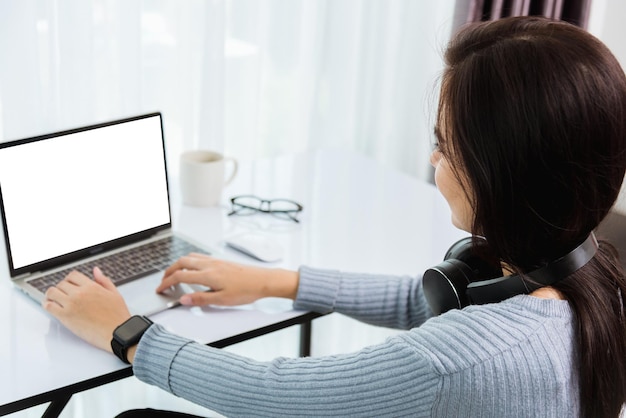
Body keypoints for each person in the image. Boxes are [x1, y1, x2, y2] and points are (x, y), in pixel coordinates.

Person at [43, 16, 626, 418]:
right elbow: (423, 300)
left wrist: (125, 332)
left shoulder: (460, 359)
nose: (432, 161)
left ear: (504, 173)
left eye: (445, 146)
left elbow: (272, 395)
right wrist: (276, 281)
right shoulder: (595, 286)